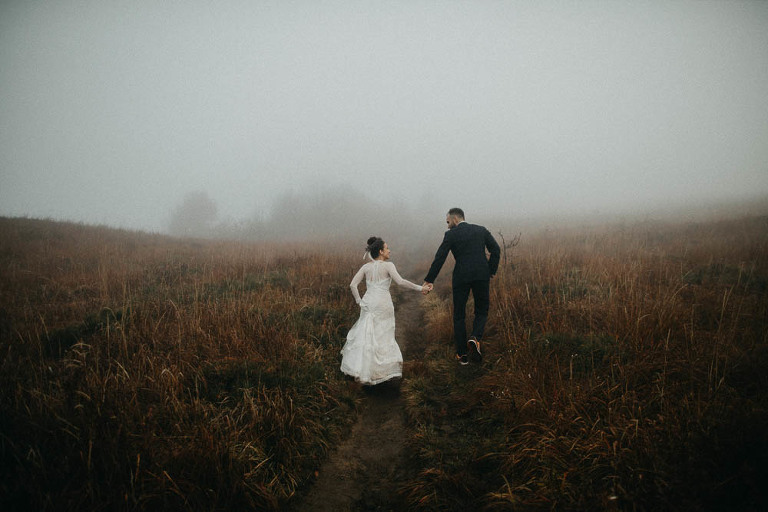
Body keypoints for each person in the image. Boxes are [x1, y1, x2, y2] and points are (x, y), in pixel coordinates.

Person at [340, 236, 426, 385]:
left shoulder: (365, 267)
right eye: (387, 248)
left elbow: (352, 285)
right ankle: (382, 372)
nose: (389, 250)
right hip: (383, 305)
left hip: (368, 304)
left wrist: (359, 301)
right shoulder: (388, 266)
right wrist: (420, 288)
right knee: (383, 335)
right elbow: (401, 282)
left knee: (367, 335)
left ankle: (364, 370)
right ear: (381, 251)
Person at [423, 208, 500, 365]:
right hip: (481, 275)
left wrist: (429, 280)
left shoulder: (450, 235)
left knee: (459, 314)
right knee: (482, 309)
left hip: (461, 277)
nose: (447, 225)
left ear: (455, 219)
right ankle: (475, 338)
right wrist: (490, 270)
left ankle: (462, 355)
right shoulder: (481, 230)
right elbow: (496, 249)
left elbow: (440, 258)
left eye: (448, 222)